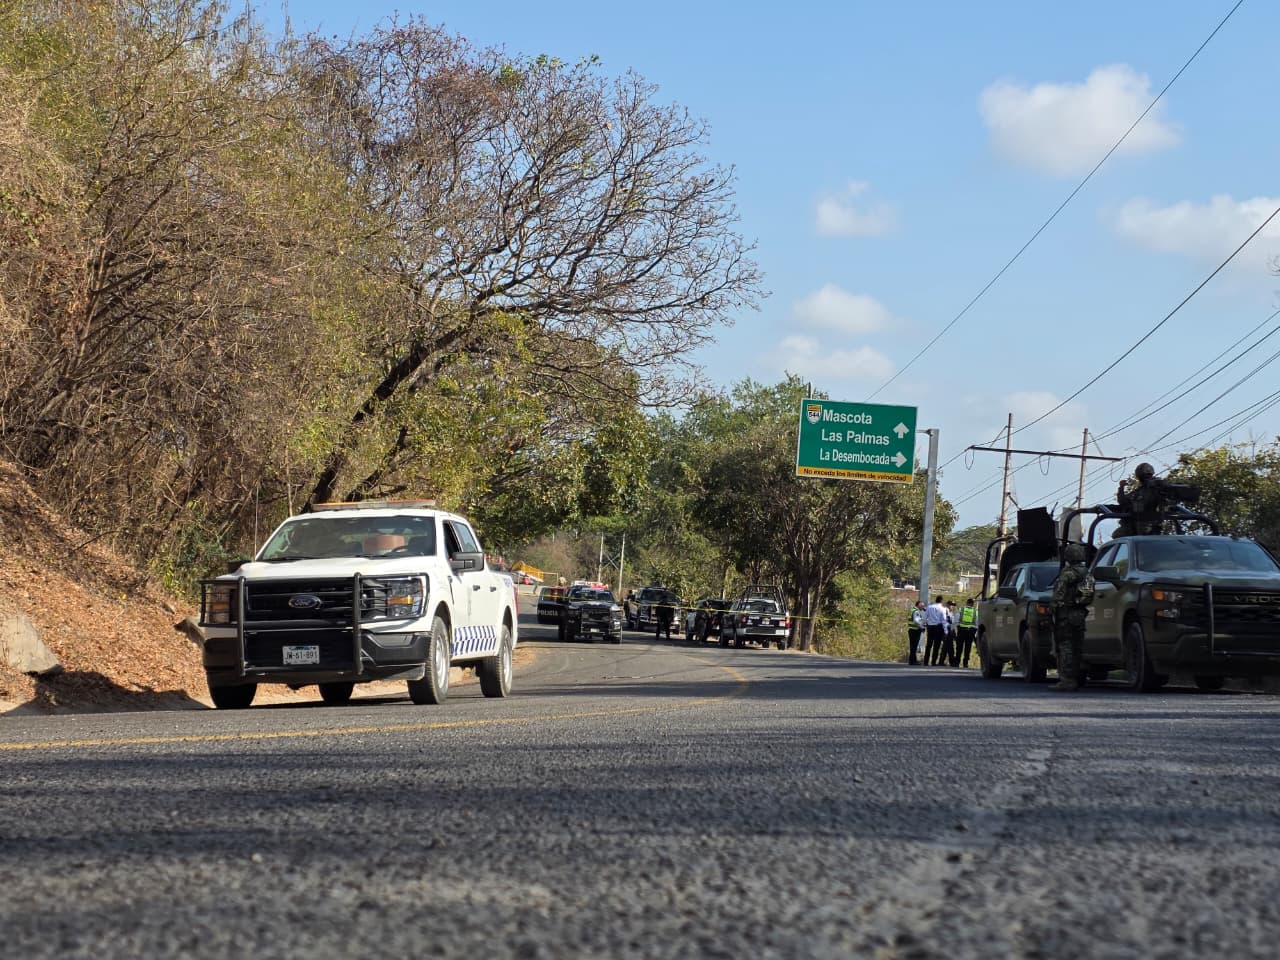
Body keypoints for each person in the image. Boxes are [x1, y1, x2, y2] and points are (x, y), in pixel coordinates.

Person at [1050, 543, 1095, 691]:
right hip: (1080, 614)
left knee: (1065, 646)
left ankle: (1067, 680)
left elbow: (1059, 593)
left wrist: (1053, 607)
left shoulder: (1068, 574)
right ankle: (1077, 677)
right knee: (1077, 646)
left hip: (1066, 614)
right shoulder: (1087, 573)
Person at [1115, 462, 1162, 536]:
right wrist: (1121, 488)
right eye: (1145, 476)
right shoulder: (1138, 492)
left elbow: (1167, 501)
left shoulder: (1157, 490)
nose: (1147, 478)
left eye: (1149, 475)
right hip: (1134, 526)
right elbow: (1123, 502)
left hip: (1148, 525)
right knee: (1118, 534)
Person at [923, 595, 948, 666]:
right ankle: (933, 662)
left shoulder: (929, 607)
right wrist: (946, 631)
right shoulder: (943, 609)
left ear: (936, 600)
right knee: (936, 646)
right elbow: (944, 620)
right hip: (938, 628)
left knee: (929, 645)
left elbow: (925, 617)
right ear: (941, 601)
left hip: (930, 627)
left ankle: (925, 661)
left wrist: (922, 625)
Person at [956, 598, 978, 667]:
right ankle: (965, 663)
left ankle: (957, 662)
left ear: (967, 603)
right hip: (970, 631)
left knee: (959, 647)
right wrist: (975, 632)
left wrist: (955, 628)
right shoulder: (975, 612)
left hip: (961, 630)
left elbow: (956, 620)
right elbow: (977, 623)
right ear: (972, 604)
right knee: (967, 648)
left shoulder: (961, 609)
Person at [907, 600, 926, 665]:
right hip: (915, 630)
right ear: (918, 605)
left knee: (913, 646)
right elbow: (916, 621)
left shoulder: (912, 610)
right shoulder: (916, 611)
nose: (923, 607)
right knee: (914, 646)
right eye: (922, 605)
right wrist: (922, 627)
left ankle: (912, 660)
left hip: (911, 630)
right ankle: (913, 661)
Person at [941, 601, 959, 666]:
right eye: (951, 605)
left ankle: (947, 661)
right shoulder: (945, 612)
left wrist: (954, 634)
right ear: (947, 605)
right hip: (946, 631)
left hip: (950, 632)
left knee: (948, 647)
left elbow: (953, 624)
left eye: (953, 605)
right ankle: (949, 662)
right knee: (948, 647)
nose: (952, 606)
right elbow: (945, 622)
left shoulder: (951, 613)